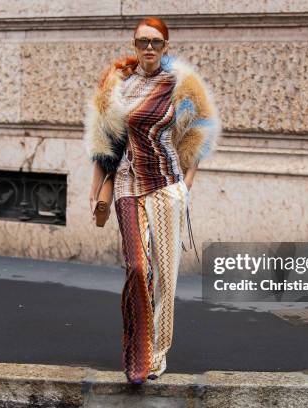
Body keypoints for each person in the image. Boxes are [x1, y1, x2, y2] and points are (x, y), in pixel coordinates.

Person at [83, 16, 221, 384]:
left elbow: (197, 138)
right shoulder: (118, 87)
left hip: (166, 187)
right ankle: (136, 349)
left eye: (156, 42)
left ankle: (155, 355)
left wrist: (186, 187)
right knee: (137, 268)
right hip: (128, 184)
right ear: (134, 44)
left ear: (165, 47)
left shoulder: (178, 87)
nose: (148, 48)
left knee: (166, 277)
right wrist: (96, 190)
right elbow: (105, 145)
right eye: (142, 41)